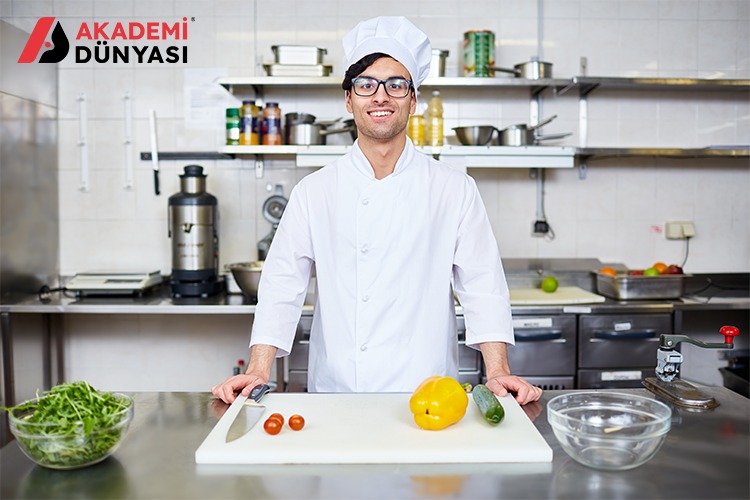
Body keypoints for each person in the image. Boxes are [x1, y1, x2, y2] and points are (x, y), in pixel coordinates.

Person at [212, 16, 542, 406]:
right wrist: (258, 369)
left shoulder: (454, 189)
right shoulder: (314, 191)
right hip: (337, 393)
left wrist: (498, 371)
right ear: (349, 99)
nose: (381, 96)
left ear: (413, 101)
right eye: (366, 84)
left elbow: (483, 285)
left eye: (396, 84)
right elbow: (281, 286)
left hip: (430, 392)